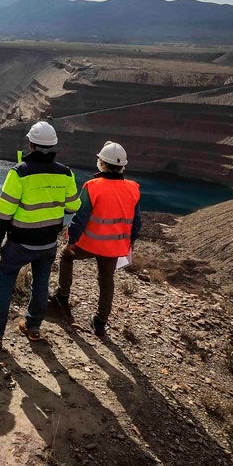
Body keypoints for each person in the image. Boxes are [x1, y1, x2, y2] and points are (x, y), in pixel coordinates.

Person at [0, 121, 81, 348]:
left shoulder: (19, 173)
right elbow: (73, 207)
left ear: (31, 145)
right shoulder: (66, 173)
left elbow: (4, 211)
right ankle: (33, 327)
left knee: (5, 282)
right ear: (53, 146)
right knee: (41, 283)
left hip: (20, 242)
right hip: (48, 243)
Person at [54, 140, 141, 338]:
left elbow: (80, 218)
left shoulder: (93, 186)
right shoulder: (133, 189)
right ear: (122, 166)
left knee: (66, 257)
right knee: (106, 280)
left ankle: (62, 296)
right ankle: (100, 322)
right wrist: (131, 243)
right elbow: (137, 223)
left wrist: (71, 241)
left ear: (102, 164)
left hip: (89, 244)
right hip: (115, 247)